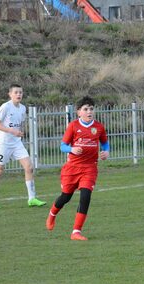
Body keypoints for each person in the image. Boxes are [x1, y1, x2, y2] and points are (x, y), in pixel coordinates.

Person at [45, 96, 109, 241]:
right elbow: (62, 146)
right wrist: (72, 149)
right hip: (72, 168)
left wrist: (106, 152)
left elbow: (105, 143)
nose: (89, 112)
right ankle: (52, 214)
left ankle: (76, 231)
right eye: (85, 109)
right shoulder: (73, 126)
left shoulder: (98, 127)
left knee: (85, 196)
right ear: (78, 112)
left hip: (90, 168)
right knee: (65, 197)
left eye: (91, 109)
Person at [0, 84, 46, 209]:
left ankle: (32, 198)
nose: (19, 95)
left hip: (16, 143)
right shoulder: (5, 107)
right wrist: (13, 131)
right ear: (10, 94)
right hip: (4, 144)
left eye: (21, 92)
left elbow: (18, 124)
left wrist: (18, 132)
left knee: (29, 167)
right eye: (16, 92)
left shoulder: (22, 108)